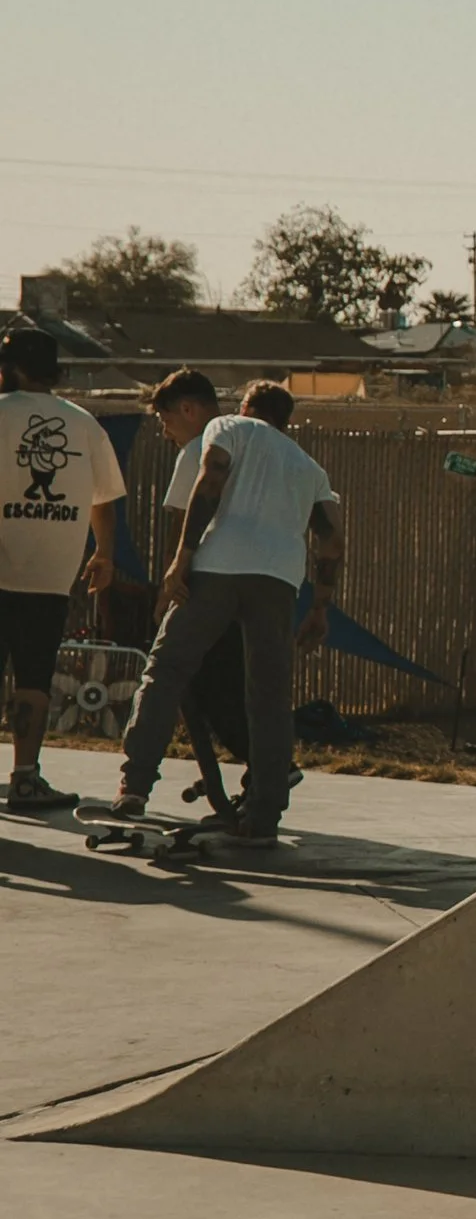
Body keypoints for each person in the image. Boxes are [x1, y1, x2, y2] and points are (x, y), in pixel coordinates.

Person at [112, 381, 342, 845]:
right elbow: (332, 539)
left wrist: (183, 557)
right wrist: (319, 607)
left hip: (218, 567)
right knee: (269, 696)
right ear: (286, 420)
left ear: (246, 407)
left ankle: (134, 787)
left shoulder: (228, 426)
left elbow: (212, 478)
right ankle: (263, 816)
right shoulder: (308, 466)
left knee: (167, 668)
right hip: (278, 581)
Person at [0, 326, 124, 814]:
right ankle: (25, 779)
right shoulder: (83, 423)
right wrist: (105, 554)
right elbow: (106, 499)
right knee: (33, 679)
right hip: (48, 577)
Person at [147, 369, 252, 806]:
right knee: (237, 678)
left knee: (201, 681)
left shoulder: (198, 449)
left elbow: (181, 523)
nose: (165, 432)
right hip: (252, 579)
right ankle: (259, 767)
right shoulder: (248, 443)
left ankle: (264, 766)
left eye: (166, 420)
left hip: (206, 581)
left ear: (188, 409)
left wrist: (171, 586)